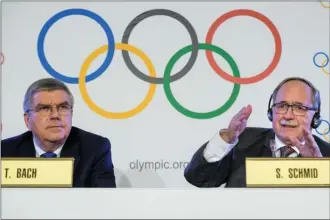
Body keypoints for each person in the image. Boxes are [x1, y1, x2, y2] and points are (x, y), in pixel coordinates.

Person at [184, 77, 330, 187]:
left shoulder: (326, 156)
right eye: (282, 106)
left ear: (315, 117)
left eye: (299, 108)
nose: (288, 115)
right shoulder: (242, 142)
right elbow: (197, 178)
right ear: (271, 112)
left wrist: (320, 172)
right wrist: (227, 138)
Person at [1, 78, 116, 187]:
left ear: (71, 113)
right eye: (44, 108)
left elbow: (104, 202)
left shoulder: (95, 149)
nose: (55, 115)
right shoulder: (5, 151)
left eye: (63, 107)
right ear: (27, 120)